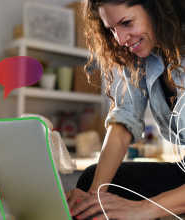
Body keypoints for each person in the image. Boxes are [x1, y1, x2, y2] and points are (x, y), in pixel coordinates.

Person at [66, 0, 185, 219]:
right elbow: (123, 121)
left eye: (127, 23)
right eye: (111, 29)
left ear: (157, 8)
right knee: (91, 182)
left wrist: (144, 209)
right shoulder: (141, 57)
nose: (120, 40)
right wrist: (95, 198)